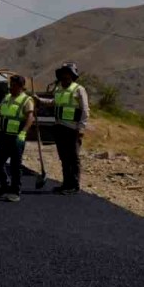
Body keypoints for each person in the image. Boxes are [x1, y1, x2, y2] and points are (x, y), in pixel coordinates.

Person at [0, 75, 35, 202]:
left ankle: (15, 191)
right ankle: (5, 185)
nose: (10, 87)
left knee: (15, 166)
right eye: (10, 85)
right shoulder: (7, 98)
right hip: (3, 136)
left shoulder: (26, 100)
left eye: (13, 85)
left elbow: (30, 118)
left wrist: (23, 133)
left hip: (16, 138)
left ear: (21, 86)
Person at [52, 62, 90, 195]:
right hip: (59, 127)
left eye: (68, 74)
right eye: (63, 74)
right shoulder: (59, 89)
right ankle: (66, 183)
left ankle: (74, 185)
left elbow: (85, 110)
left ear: (72, 76)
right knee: (64, 158)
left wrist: (81, 128)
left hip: (72, 129)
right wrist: (40, 101)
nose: (65, 77)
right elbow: (54, 103)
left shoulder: (79, 89)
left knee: (73, 158)